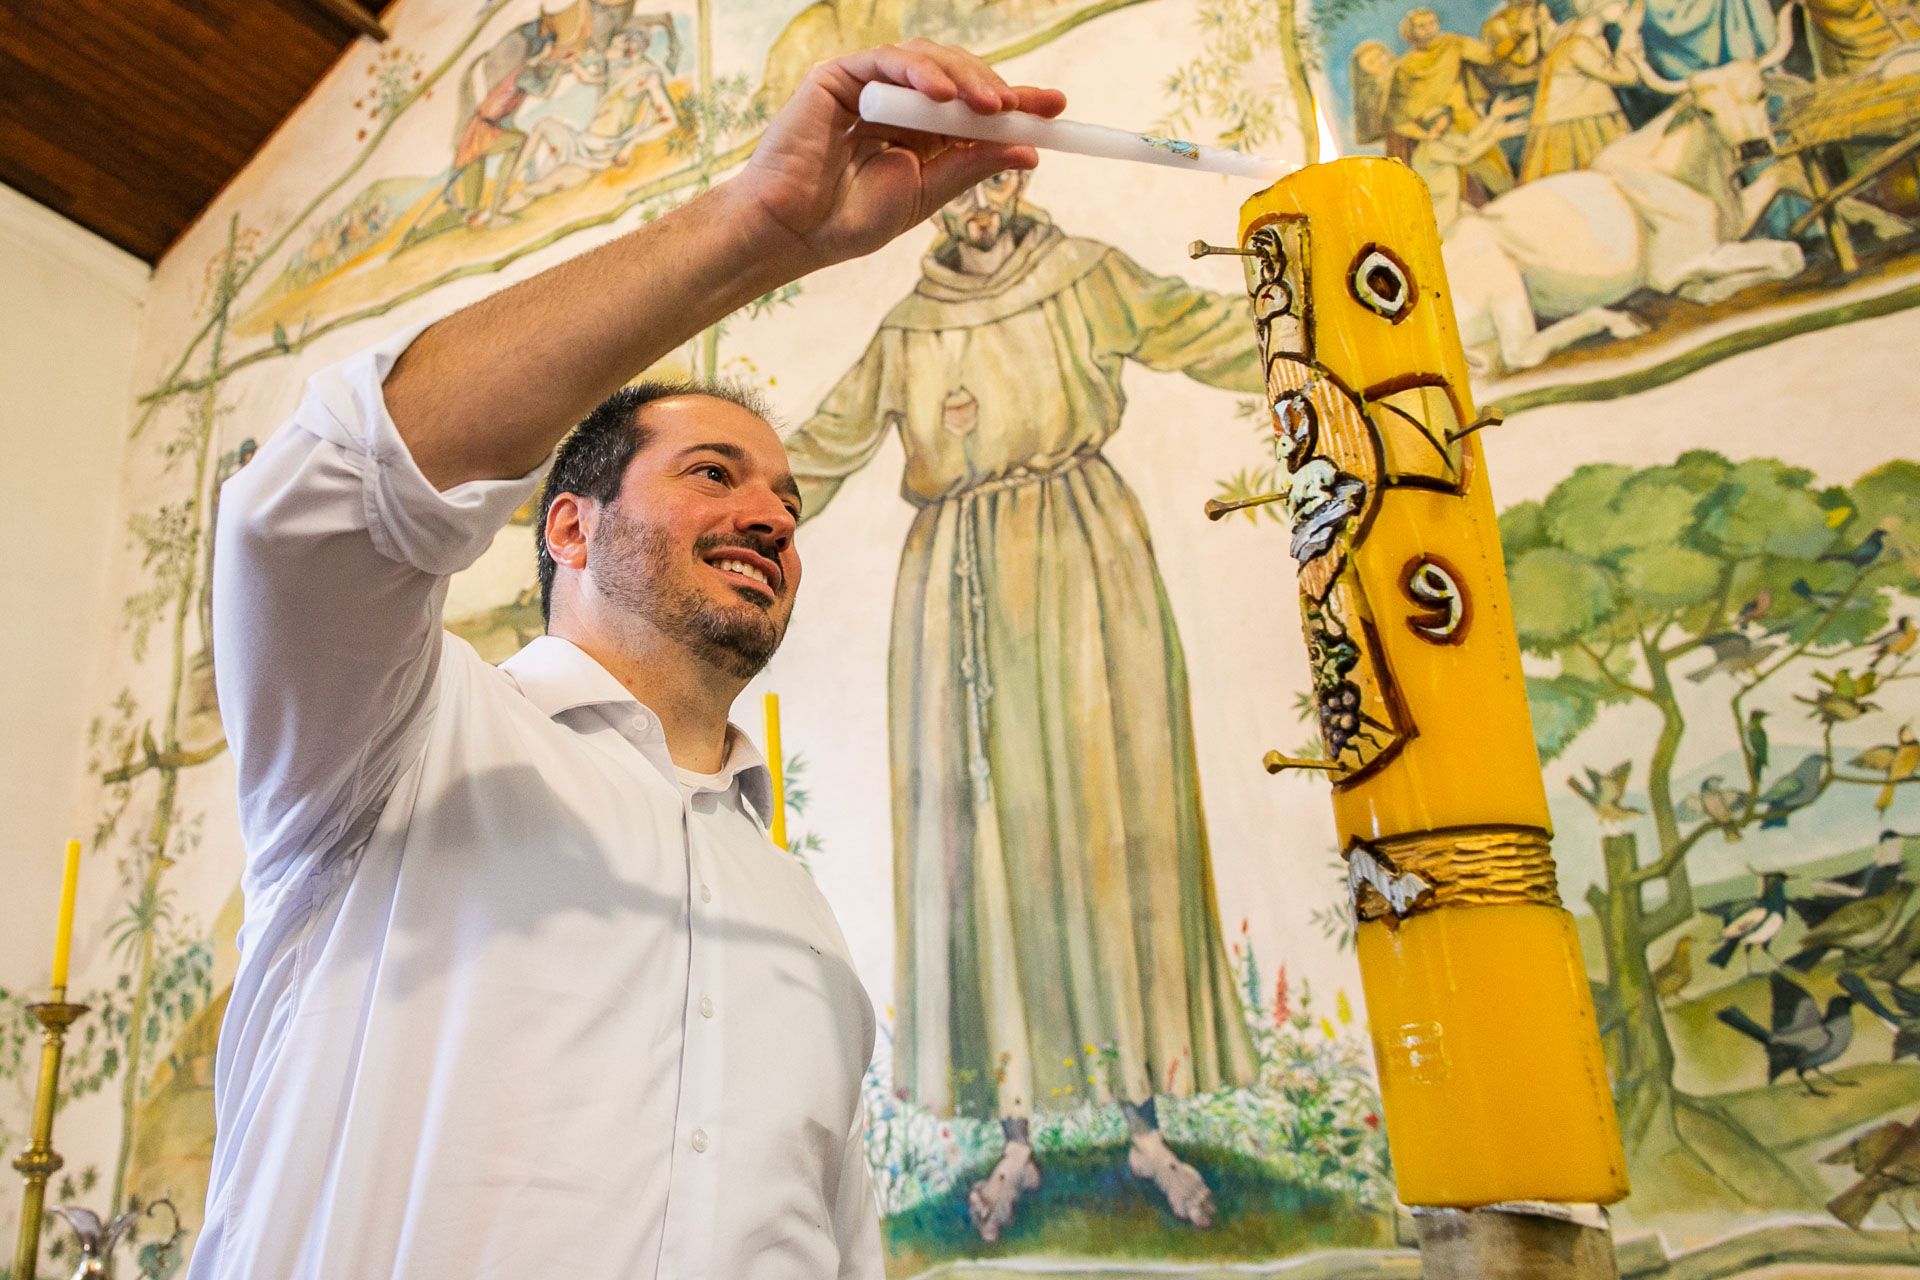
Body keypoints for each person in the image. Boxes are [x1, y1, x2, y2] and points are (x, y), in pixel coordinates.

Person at [191, 41, 1066, 1280]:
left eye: (788, 501)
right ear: (569, 525)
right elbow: (326, 498)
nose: (772, 515)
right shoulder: (402, 748)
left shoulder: (802, 924)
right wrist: (754, 230)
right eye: (714, 473)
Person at [781, 167, 1259, 1243]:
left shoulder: (1084, 276)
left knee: (1113, 825)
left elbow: (1204, 330)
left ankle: (1145, 1115)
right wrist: (700, 502)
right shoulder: (909, 328)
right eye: (957, 185)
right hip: (953, 585)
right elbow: (816, 452)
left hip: (1087, 563)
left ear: (1017, 171)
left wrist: (1325, 321)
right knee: (981, 844)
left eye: (992, 173)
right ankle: (1014, 1133)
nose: (980, 201)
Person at [1383, 8, 1516, 206]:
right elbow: (1397, 112)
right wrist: (1422, 133)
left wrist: (1509, 36)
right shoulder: (1405, 67)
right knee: (1459, 192)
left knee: (1497, 176)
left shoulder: (1453, 43)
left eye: (1432, 23)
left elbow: (1489, 57)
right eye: (1421, 26)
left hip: (1466, 119)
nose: (1428, 30)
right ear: (1411, 32)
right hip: (1437, 130)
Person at [1519, 0, 1646, 181]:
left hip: (1586, 120)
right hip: (1577, 130)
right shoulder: (1576, 46)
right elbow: (1628, 76)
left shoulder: (1576, 37)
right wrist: (1630, 30)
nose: (1625, 5)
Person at [1409, 99, 1531, 228]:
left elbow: (1468, 140)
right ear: (1434, 122)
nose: (1448, 119)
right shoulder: (1431, 148)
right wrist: (1495, 136)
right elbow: (1465, 157)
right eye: (1444, 115)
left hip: (1448, 200)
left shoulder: (1442, 139)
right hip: (1439, 204)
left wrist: (1494, 116)